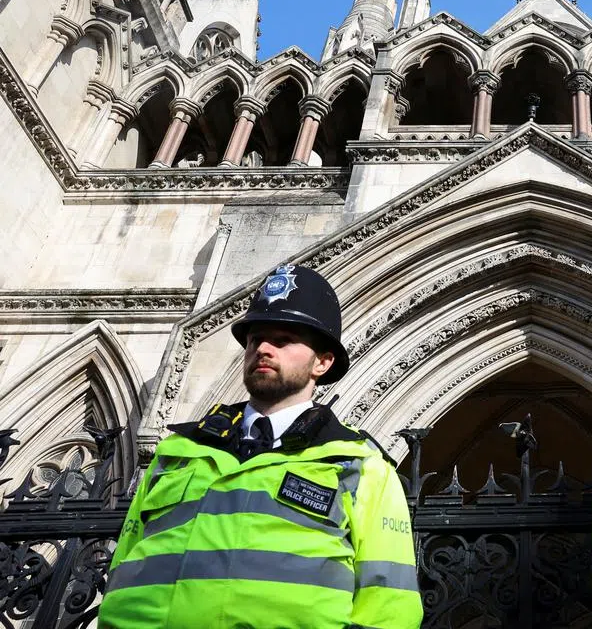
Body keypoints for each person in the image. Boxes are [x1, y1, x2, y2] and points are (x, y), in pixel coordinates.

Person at [99, 264, 423, 629]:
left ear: (323, 362)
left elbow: (389, 604)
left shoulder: (360, 466)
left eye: (283, 340)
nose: (263, 349)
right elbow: (124, 563)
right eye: (255, 339)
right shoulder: (178, 451)